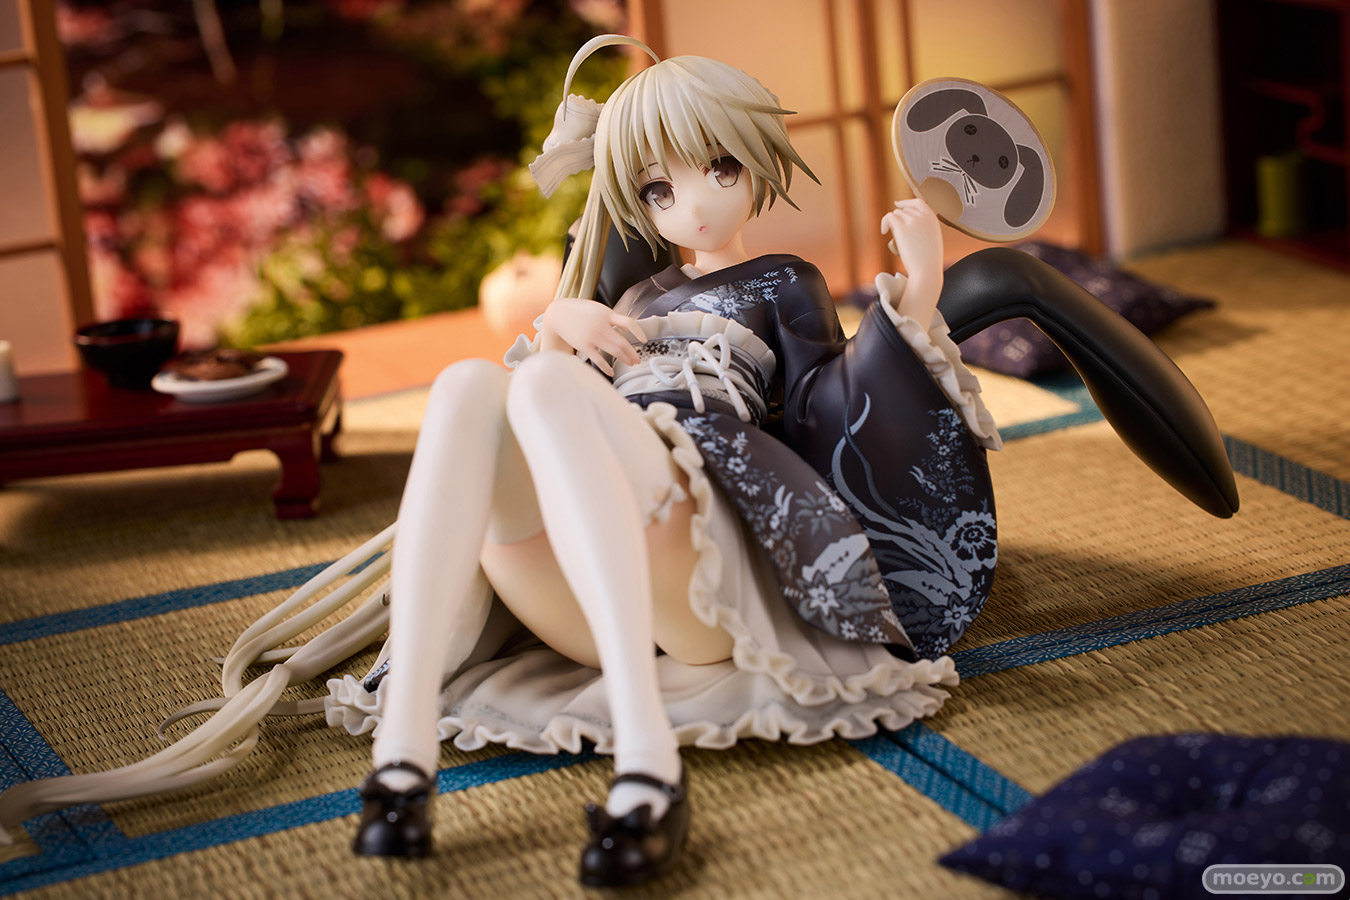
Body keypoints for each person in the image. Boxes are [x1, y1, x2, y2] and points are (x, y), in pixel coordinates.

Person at [0, 32, 1236, 891]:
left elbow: (823, 412)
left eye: (718, 169)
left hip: (695, 570)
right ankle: (402, 757)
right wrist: (561, 325)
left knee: (537, 382)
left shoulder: (781, 279)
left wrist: (911, 299)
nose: (691, 201)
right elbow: (528, 414)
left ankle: (648, 764)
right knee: (473, 383)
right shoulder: (628, 292)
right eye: (658, 183)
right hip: (581, 583)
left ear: (754, 167)